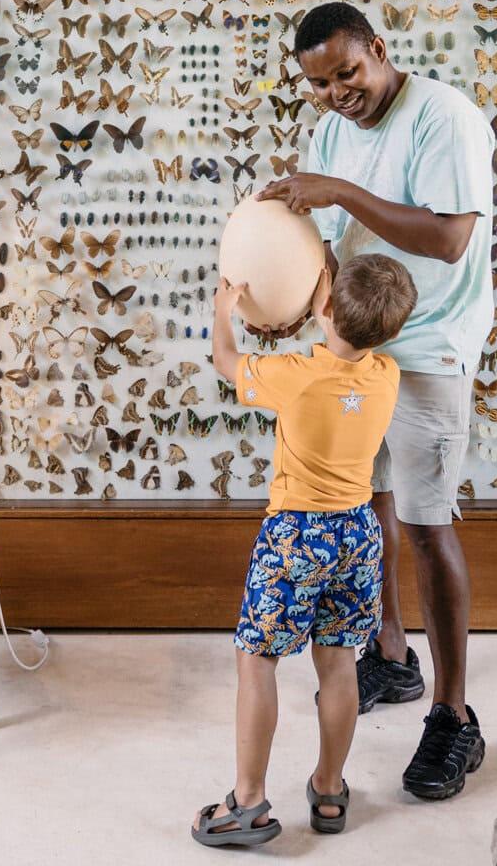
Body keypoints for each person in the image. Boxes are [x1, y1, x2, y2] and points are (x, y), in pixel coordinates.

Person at [257, 1, 494, 802]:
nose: (336, 94)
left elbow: (448, 238)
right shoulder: (329, 128)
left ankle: (454, 718)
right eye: (320, 84)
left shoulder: (443, 117)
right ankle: (390, 657)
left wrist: (337, 188)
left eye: (347, 73)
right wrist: (301, 298)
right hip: (360, 348)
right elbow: (329, 243)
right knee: (368, 507)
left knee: (427, 527)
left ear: (378, 50)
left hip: (430, 349)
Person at [192, 253, 418, 848]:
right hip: (359, 532)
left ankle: (247, 802)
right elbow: (350, 330)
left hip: (295, 534)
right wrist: (327, 293)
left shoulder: (293, 372)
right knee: (339, 663)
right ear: (391, 331)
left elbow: (225, 361)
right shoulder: (386, 375)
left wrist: (224, 311)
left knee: (258, 660)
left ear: (323, 308)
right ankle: (328, 786)